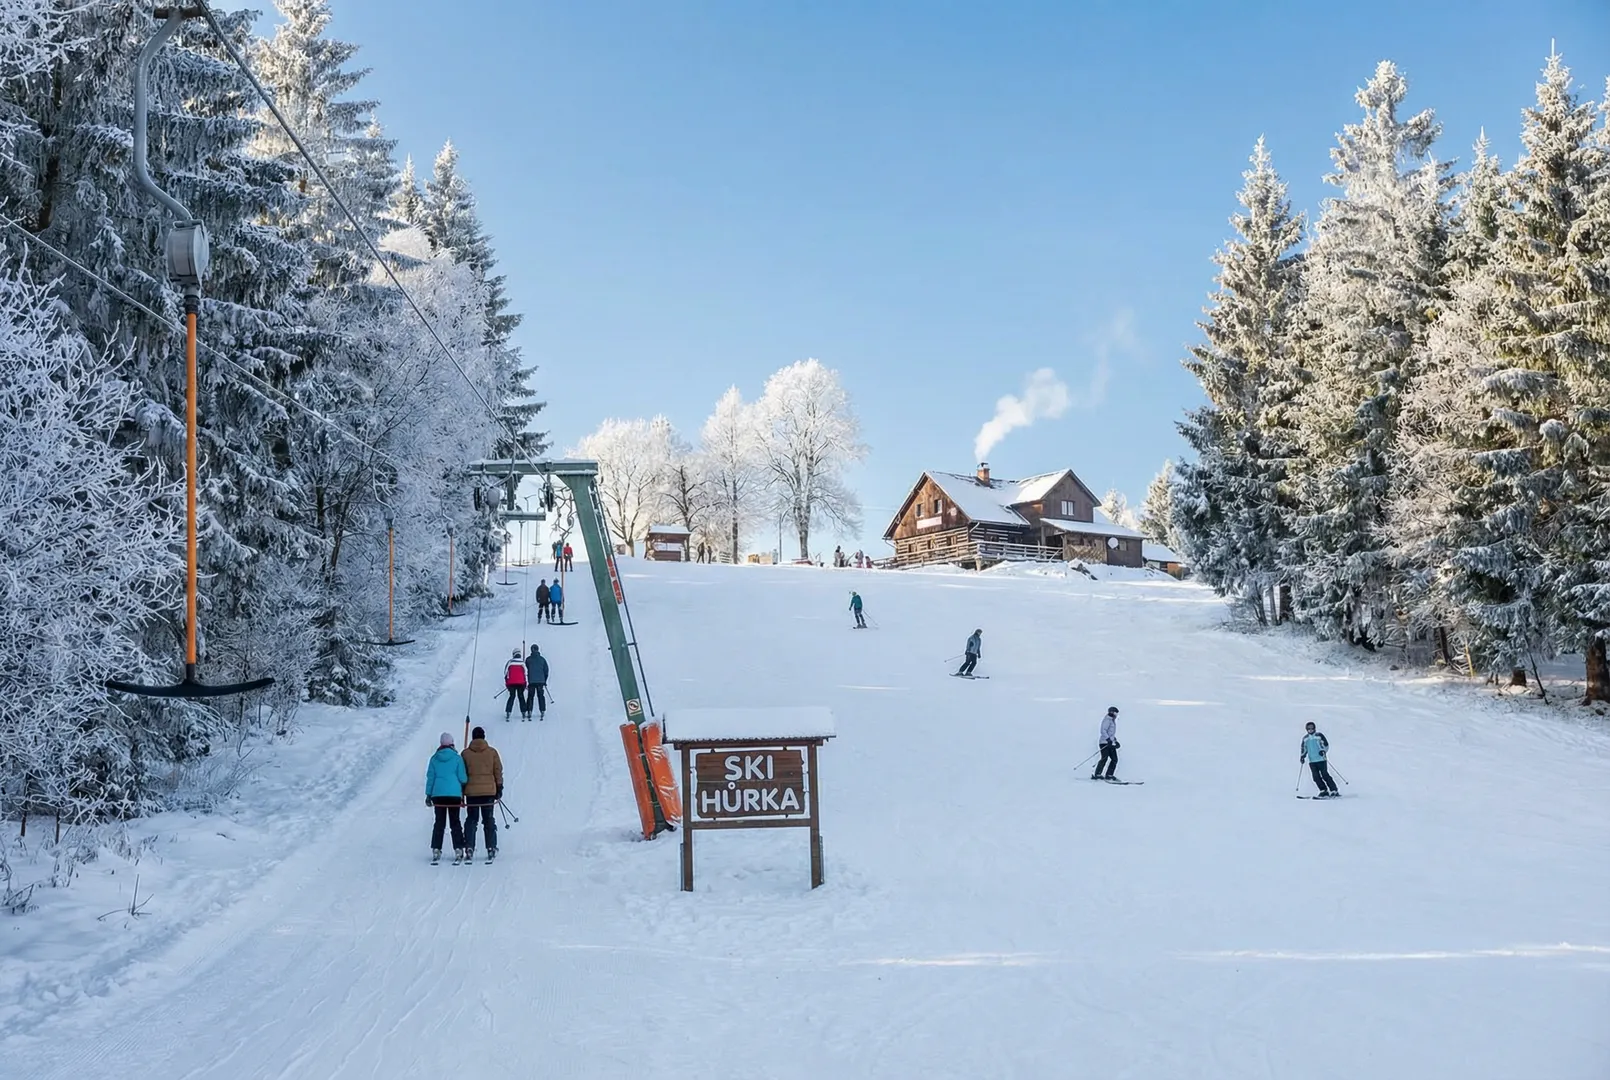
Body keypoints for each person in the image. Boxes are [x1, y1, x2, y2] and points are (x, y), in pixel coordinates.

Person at [461, 726, 503, 862]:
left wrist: (462, 790)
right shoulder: (492, 752)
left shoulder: (465, 754)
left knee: (472, 819)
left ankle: (469, 846)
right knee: (488, 819)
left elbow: (462, 773)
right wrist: (499, 787)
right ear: (484, 737)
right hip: (488, 791)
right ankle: (491, 847)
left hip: (472, 792)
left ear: (472, 737)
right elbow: (498, 770)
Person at [426, 732, 467, 864]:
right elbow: (463, 778)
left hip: (438, 795)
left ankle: (436, 849)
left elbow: (430, 778)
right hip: (454, 795)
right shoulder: (457, 758)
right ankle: (459, 849)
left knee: (439, 822)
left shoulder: (434, 759)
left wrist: (428, 794)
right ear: (452, 743)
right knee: (455, 822)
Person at [1301, 722, 1339, 797]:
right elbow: (1304, 748)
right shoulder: (1305, 738)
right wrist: (1302, 756)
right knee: (1315, 777)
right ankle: (1323, 790)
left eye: (1312, 728)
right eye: (1309, 728)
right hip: (1312, 761)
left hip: (1321, 759)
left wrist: (1323, 751)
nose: (1310, 730)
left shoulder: (1319, 736)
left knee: (1325, 775)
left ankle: (1333, 789)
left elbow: (1326, 745)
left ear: (1314, 728)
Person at [1092, 706, 1120, 779]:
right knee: (1104, 758)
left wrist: (1115, 741)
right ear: (1111, 712)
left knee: (1114, 759)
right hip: (1104, 742)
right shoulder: (1107, 720)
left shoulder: (1112, 721)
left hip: (1110, 743)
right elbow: (1103, 730)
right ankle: (1097, 774)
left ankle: (1109, 775)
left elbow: (1111, 734)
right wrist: (1108, 739)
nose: (1116, 715)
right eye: (1115, 713)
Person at [526, 644, 550, 720]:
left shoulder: (528, 659)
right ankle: (542, 710)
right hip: (540, 681)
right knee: (540, 696)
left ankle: (529, 710)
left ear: (531, 650)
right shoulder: (542, 659)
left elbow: (525, 668)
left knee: (530, 696)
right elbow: (546, 671)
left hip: (532, 681)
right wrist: (544, 680)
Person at [503, 648, 528, 719]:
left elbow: (505, 673)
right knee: (521, 696)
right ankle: (523, 712)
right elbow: (526, 673)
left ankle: (508, 712)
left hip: (511, 683)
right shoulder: (523, 663)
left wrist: (507, 683)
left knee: (512, 696)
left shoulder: (509, 662)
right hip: (521, 683)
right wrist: (526, 683)